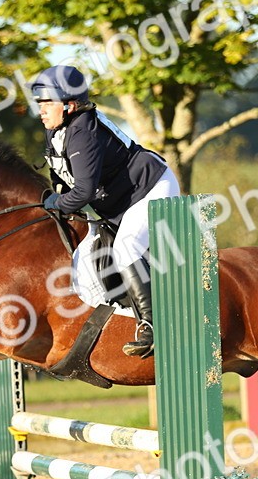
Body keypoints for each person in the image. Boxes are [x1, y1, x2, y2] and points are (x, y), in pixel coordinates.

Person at [31, 64, 180, 358]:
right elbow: (63, 178)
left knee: (127, 247)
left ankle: (153, 326)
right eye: (40, 103)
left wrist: (56, 203)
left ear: (70, 105)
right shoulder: (57, 130)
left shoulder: (81, 134)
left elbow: (83, 192)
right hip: (116, 201)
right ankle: (116, 329)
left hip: (150, 188)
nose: (42, 110)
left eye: (48, 103)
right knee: (83, 266)